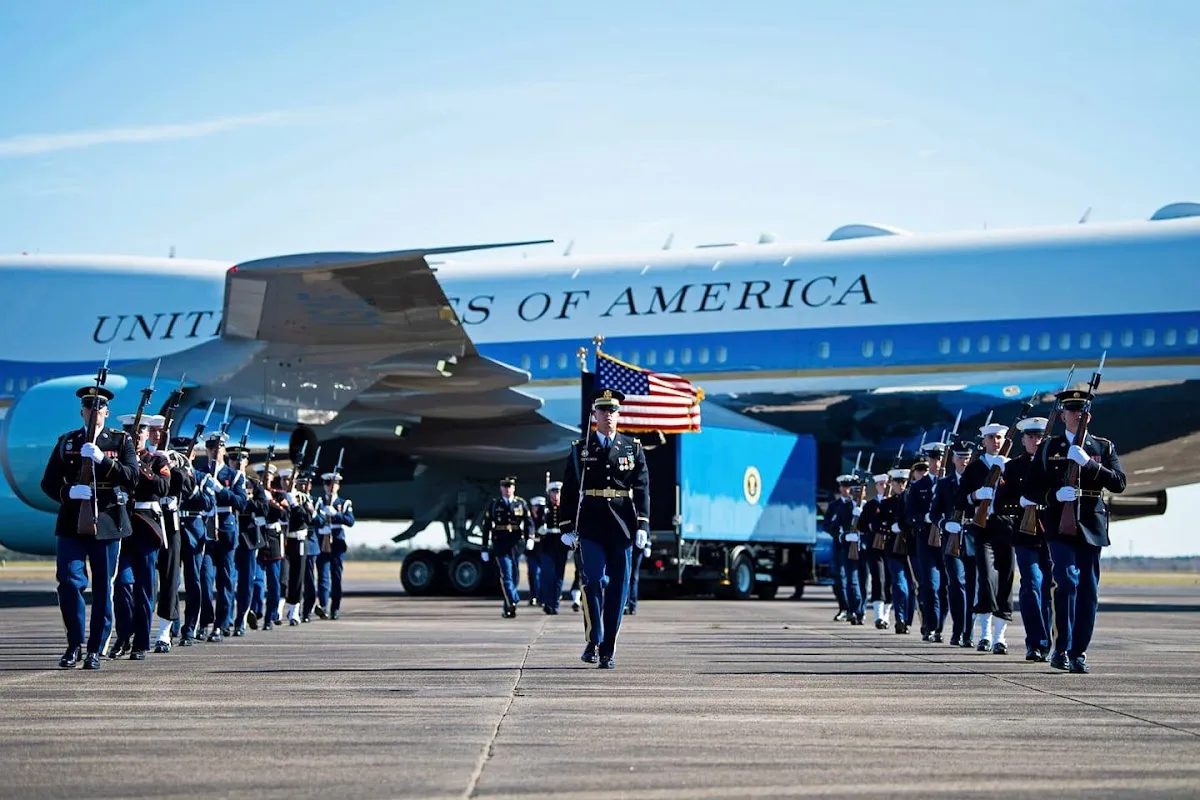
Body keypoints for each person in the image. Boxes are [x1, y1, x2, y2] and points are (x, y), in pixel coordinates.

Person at [1023, 389, 1126, 673]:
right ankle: (1062, 648)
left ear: (1088, 416)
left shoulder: (1103, 447)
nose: (1076, 415)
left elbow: (1119, 483)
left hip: (1091, 525)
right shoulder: (1048, 447)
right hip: (1058, 523)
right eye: (1071, 410)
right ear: (1062, 415)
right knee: (1066, 581)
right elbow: (1031, 488)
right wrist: (1054, 496)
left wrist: (1088, 463)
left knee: (1089, 591)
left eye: (1081, 411)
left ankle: (1078, 652)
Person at [40, 385, 139, 670]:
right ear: (82, 412)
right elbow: (48, 483)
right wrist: (68, 492)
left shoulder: (121, 442)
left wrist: (102, 459)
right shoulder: (67, 441)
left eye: (99, 408)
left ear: (107, 413)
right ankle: (74, 644)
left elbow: (132, 477)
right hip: (72, 520)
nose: (94, 413)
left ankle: (95, 648)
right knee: (70, 582)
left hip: (107, 520)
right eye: (89, 408)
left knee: (102, 587)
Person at [558, 388, 650, 669]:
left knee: (619, 589)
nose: (608, 415)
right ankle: (594, 638)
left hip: (622, 526)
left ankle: (608, 648)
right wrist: (565, 526)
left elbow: (642, 487)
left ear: (618, 414)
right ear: (594, 414)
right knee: (593, 580)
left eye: (613, 411)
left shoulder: (632, 448)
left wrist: (643, 523)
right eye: (603, 410)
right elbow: (570, 490)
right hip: (591, 525)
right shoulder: (580, 449)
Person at [109, 413, 170, 661]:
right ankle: (124, 636)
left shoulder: (156, 459)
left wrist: (138, 466)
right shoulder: (118, 460)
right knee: (122, 584)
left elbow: (162, 486)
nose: (135, 436)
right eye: (130, 432)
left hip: (146, 528)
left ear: (146, 434)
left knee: (145, 588)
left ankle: (141, 642)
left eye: (139, 432)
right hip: (121, 526)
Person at [959, 421, 1015, 654]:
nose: (995, 441)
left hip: (1007, 526)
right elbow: (959, 499)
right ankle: (985, 633)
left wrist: (1007, 474)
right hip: (982, 528)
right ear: (984, 441)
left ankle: (1000, 636)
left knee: (1006, 579)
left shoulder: (1012, 466)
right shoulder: (974, 468)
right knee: (986, 577)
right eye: (991, 438)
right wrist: (975, 495)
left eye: (999, 438)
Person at [1008, 416, 1053, 662]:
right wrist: (1021, 502)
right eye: (1031, 436)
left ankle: (1052, 642)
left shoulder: (1055, 463)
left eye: (1040, 436)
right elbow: (1002, 502)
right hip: (1025, 535)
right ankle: (1035, 642)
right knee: (1032, 586)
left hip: (1053, 533)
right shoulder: (1013, 467)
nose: (1036, 441)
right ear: (1023, 440)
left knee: (1051, 590)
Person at [932, 439, 976, 647]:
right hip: (952, 538)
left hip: (974, 537)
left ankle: (969, 631)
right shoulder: (944, 484)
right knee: (957, 584)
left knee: (973, 585)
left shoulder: (978, 482)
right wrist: (944, 523)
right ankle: (958, 630)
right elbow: (934, 513)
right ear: (953, 459)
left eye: (967, 458)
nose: (964, 462)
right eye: (960, 457)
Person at [907, 444, 948, 642]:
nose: (937, 463)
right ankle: (931, 626)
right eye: (933, 459)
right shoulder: (918, 486)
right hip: (925, 540)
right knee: (931, 585)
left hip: (948, 539)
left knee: (948, 585)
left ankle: (941, 625)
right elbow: (909, 515)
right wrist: (924, 518)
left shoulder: (949, 483)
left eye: (940, 458)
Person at [480, 477, 533, 618]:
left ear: (514, 488)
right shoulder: (494, 504)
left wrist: (530, 538)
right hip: (500, 543)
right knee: (507, 574)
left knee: (515, 576)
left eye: (510, 487)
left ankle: (509, 607)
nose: (507, 489)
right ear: (501, 488)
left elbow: (529, 523)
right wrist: (484, 547)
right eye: (505, 487)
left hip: (516, 544)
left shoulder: (521, 503)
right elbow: (486, 527)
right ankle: (514, 599)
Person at [315, 469, 355, 620]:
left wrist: (335, 515)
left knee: (336, 577)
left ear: (338, 486)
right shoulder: (319, 502)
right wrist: (322, 518)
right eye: (327, 483)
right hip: (322, 541)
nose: (330, 486)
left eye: (334, 483)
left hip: (337, 543)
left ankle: (335, 608)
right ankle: (323, 606)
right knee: (323, 577)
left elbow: (350, 521)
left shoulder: (344, 503)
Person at [823, 474, 863, 625]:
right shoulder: (835, 505)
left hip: (855, 545)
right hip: (840, 544)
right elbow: (828, 524)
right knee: (839, 577)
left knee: (856, 579)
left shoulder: (858, 504)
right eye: (843, 486)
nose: (846, 490)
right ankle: (844, 608)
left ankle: (857, 610)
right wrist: (839, 534)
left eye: (848, 487)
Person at [535, 482, 570, 614]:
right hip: (547, 544)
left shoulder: (565, 508)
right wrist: (540, 528)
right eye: (553, 492)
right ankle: (547, 601)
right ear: (549, 493)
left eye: (558, 492)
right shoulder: (544, 508)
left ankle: (554, 604)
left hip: (561, 544)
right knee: (547, 575)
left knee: (558, 576)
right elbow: (536, 523)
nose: (556, 495)